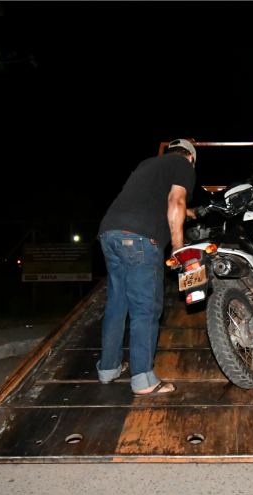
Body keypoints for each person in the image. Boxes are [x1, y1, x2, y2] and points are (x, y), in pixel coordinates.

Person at [95, 138, 197, 396]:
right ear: (191, 157)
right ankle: (143, 379)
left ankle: (108, 368)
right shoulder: (183, 165)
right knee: (146, 308)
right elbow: (176, 202)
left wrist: (190, 212)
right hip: (140, 238)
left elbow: (150, 199)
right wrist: (178, 247)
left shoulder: (148, 164)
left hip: (109, 232)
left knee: (117, 304)